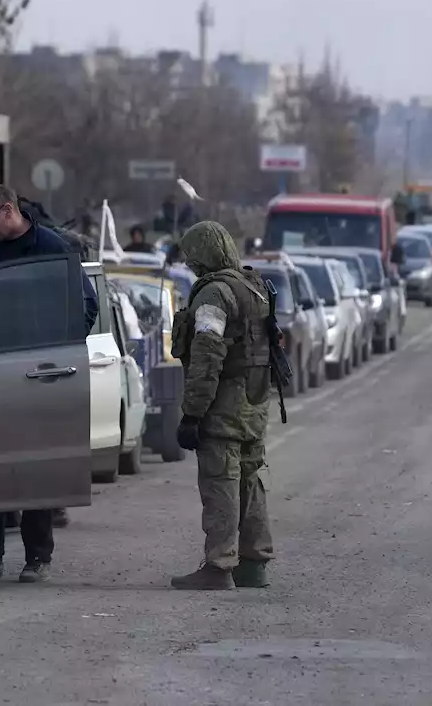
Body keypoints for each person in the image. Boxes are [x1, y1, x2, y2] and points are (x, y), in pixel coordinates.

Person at [0, 184, 98, 583]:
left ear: (8, 211)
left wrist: (55, 348)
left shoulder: (53, 249)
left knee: (35, 471)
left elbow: (86, 305)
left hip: (38, 373)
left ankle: (37, 557)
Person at [168, 220, 275, 590]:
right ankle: (254, 564)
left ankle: (219, 566)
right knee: (249, 477)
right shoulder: (252, 285)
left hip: (224, 403)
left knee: (220, 479)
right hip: (255, 400)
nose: (188, 263)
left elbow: (207, 357)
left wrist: (192, 413)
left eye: (190, 255)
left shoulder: (214, 294)